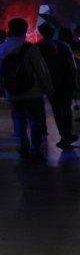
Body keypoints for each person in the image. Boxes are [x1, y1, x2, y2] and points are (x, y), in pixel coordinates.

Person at [0, 16, 48, 160]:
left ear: (10, 30)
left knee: (19, 120)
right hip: (32, 91)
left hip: (13, 91)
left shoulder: (1, 48)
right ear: (25, 30)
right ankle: (35, 149)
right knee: (35, 120)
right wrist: (47, 88)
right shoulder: (31, 48)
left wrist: (1, 86)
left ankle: (23, 147)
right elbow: (41, 70)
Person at [38, 13, 76, 151]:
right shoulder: (63, 45)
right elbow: (72, 65)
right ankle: (67, 134)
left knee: (56, 108)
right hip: (66, 81)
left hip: (50, 82)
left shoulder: (37, 47)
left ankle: (63, 134)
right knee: (66, 108)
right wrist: (75, 81)